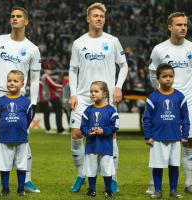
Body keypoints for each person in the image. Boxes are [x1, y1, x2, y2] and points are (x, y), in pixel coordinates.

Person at [68, 2, 128, 193]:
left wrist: (118, 87)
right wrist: (73, 93)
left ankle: (113, 179)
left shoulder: (112, 41)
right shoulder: (79, 43)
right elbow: (73, 70)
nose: (99, 19)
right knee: (76, 134)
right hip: (84, 96)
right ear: (88, 18)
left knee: (111, 135)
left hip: (105, 97)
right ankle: (81, 175)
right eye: (95, 16)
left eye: (101, 16)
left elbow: (124, 65)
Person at [0, 7, 41, 194]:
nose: (15, 19)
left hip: (19, 99)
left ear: (26, 21)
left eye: (19, 16)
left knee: (23, 139)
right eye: (12, 16)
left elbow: (34, 79)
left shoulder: (32, 49)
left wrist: (34, 102)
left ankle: (27, 180)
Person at [147, 12, 192, 195]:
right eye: (179, 25)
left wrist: (182, 93)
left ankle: (188, 183)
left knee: (189, 142)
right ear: (169, 27)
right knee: (158, 143)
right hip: (164, 105)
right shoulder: (159, 49)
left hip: (187, 102)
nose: (183, 28)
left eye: (185, 25)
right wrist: (165, 95)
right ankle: (153, 184)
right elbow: (152, 75)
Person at [143, 63, 190, 199]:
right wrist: (148, 136)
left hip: (175, 137)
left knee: (174, 165)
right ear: (158, 79)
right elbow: (146, 118)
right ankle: (157, 190)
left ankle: (173, 190)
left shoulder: (180, 96)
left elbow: (185, 117)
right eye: (164, 76)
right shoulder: (153, 97)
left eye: (171, 76)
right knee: (157, 166)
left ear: (174, 78)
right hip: (157, 138)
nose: (168, 79)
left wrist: (185, 134)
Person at [0, 70, 32, 196]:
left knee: (22, 165)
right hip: (4, 138)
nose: (11, 83)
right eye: (9, 80)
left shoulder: (26, 102)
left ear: (22, 84)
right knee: (4, 165)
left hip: (21, 138)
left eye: (15, 81)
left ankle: (21, 189)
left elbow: (28, 119)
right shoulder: (0, 101)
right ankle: (5, 189)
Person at [81, 81, 119, 198]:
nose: (93, 93)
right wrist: (88, 132)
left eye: (96, 91)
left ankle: (108, 190)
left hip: (106, 145)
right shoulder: (88, 110)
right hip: (91, 145)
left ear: (104, 94)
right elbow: (83, 126)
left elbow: (115, 126)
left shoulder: (111, 110)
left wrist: (104, 131)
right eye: (91, 91)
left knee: (107, 168)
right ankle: (91, 189)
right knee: (91, 168)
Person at [39, 67, 65, 134]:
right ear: (45, 70)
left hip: (47, 96)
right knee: (58, 112)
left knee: (47, 113)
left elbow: (50, 86)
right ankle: (60, 130)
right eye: (49, 69)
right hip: (51, 96)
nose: (51, 71)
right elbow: (53, 84)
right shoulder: (46, 76)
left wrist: (58, 89)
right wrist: (64, 86)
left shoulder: (42, 77)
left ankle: (49, 129)